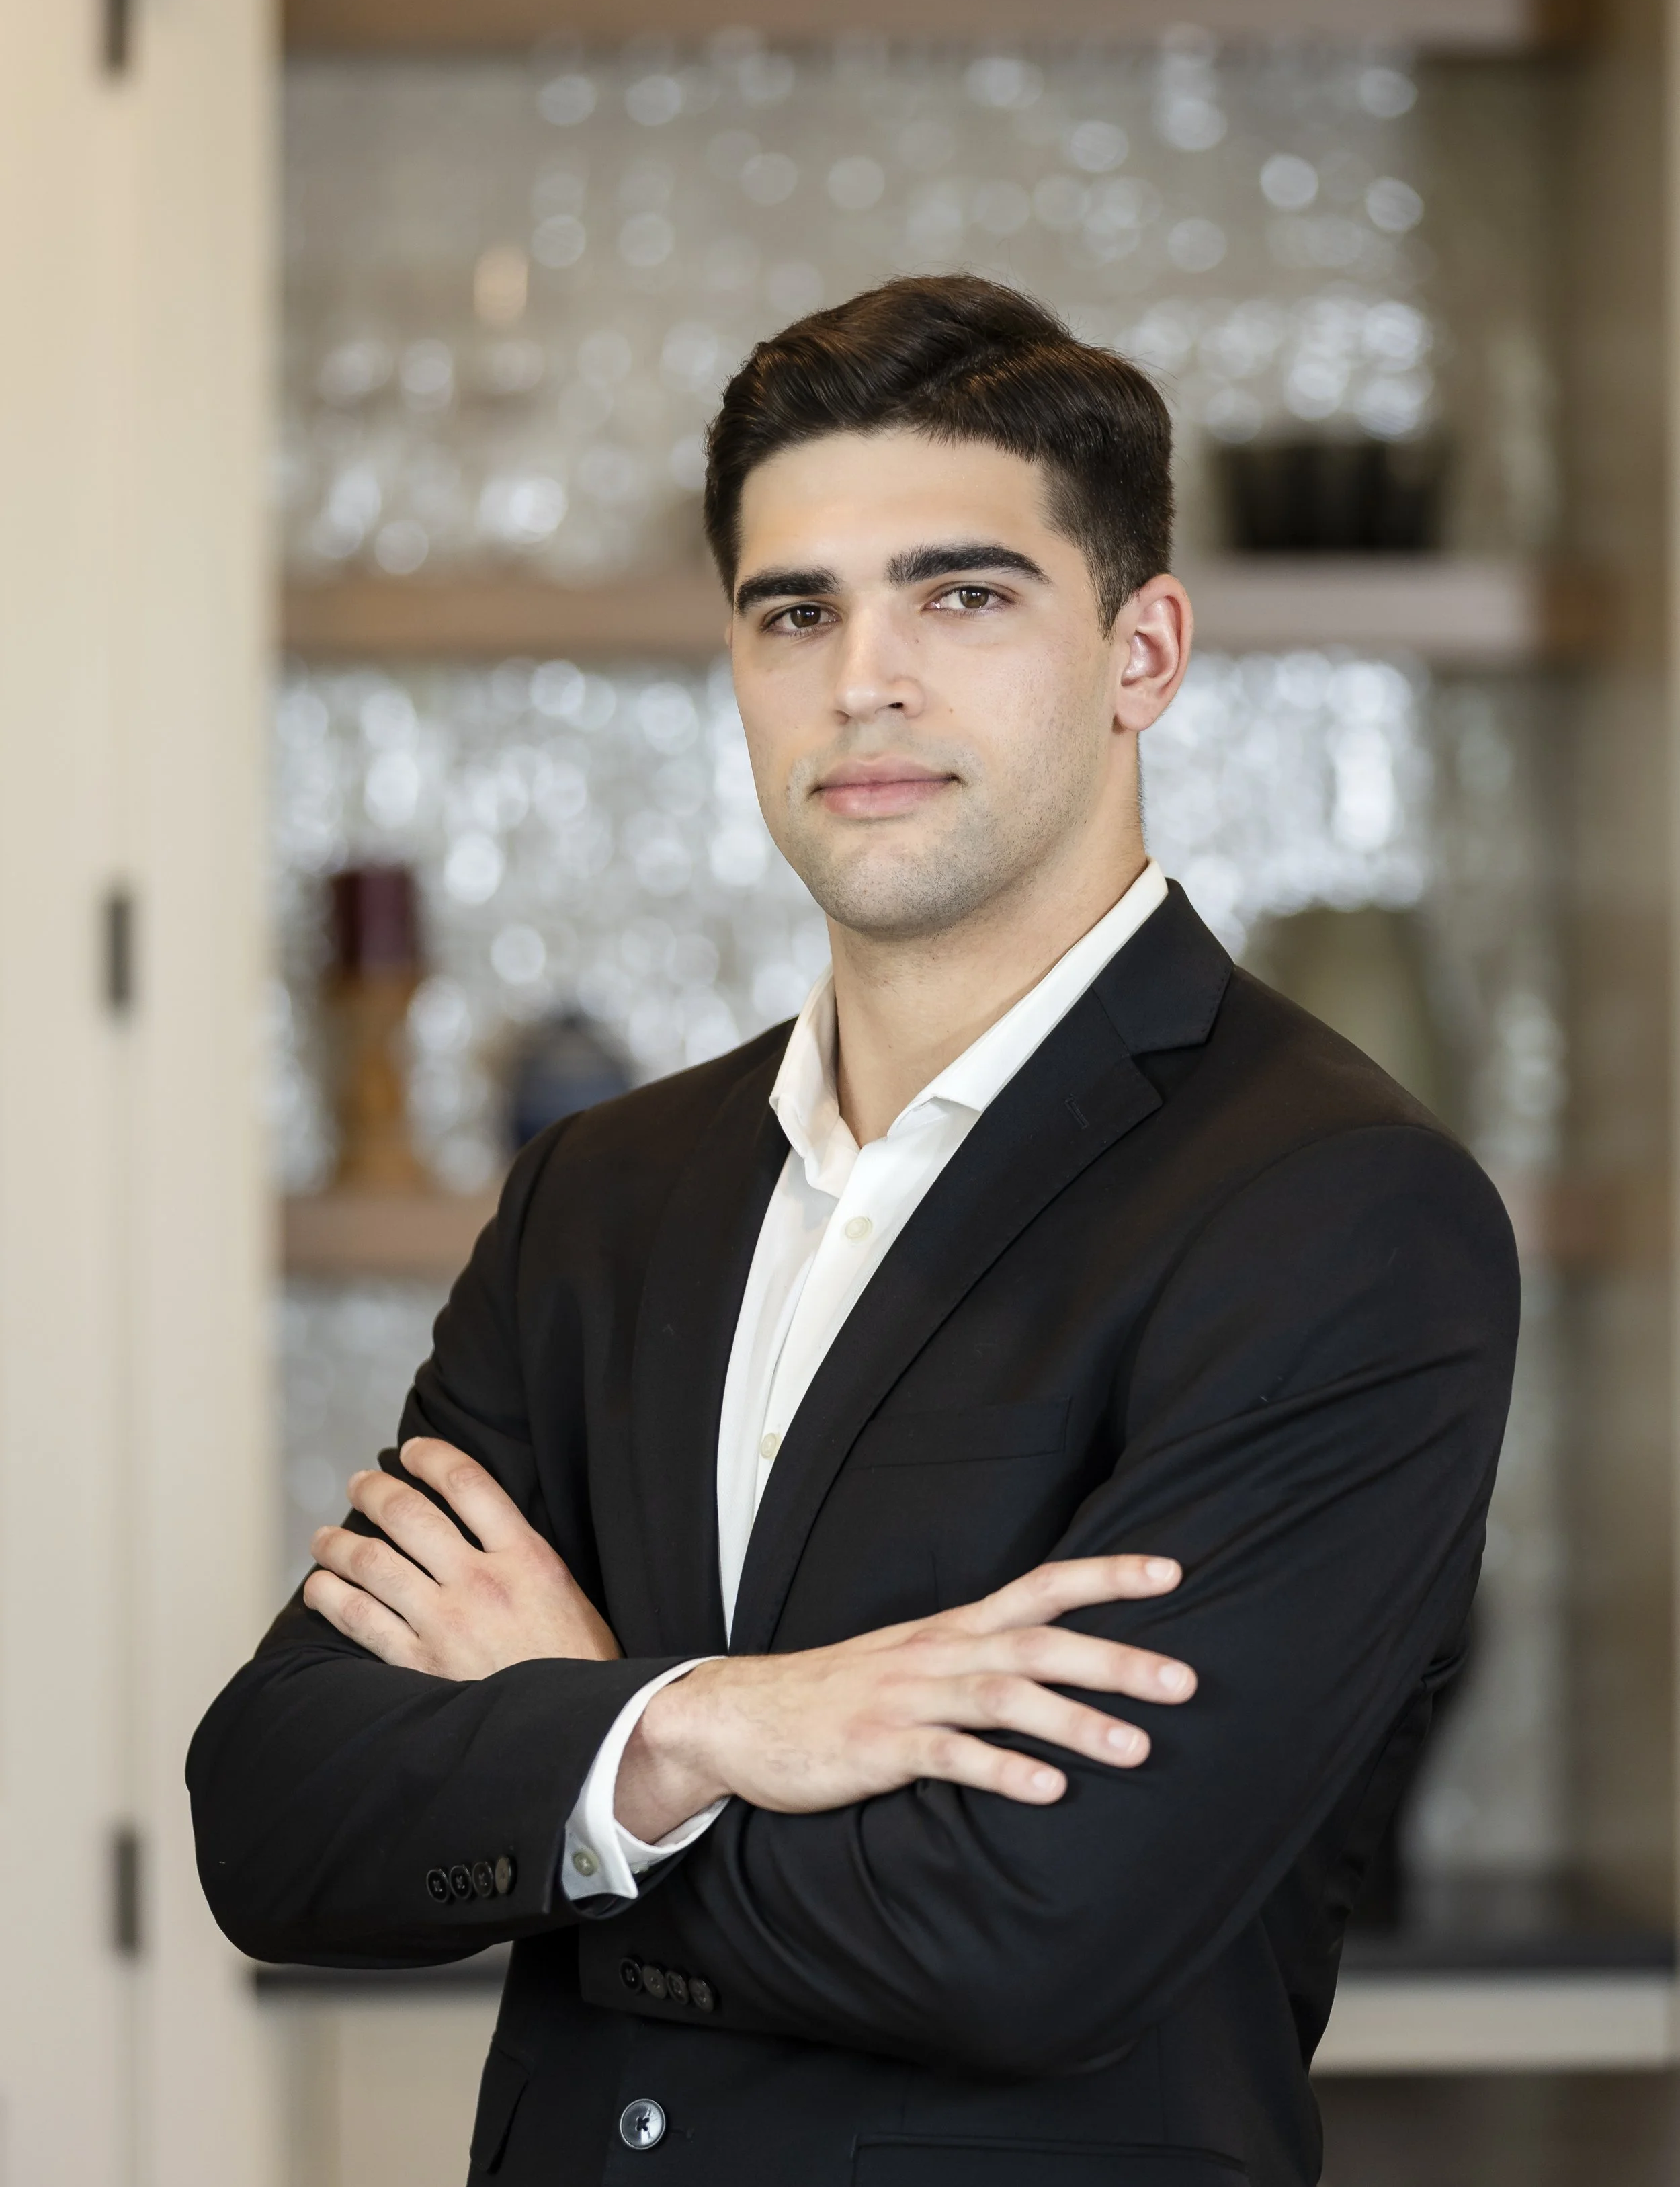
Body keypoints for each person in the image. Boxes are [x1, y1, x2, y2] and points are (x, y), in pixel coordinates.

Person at [189, 276, 1517, 2187]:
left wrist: (570, 1746)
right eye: (791, 610)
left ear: (1144, 650)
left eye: (960, 595)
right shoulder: (607, 1189)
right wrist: (706, 1723)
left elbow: (1035, 1931)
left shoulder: (1332, 1211)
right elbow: (277, 1813)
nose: (860, 679)